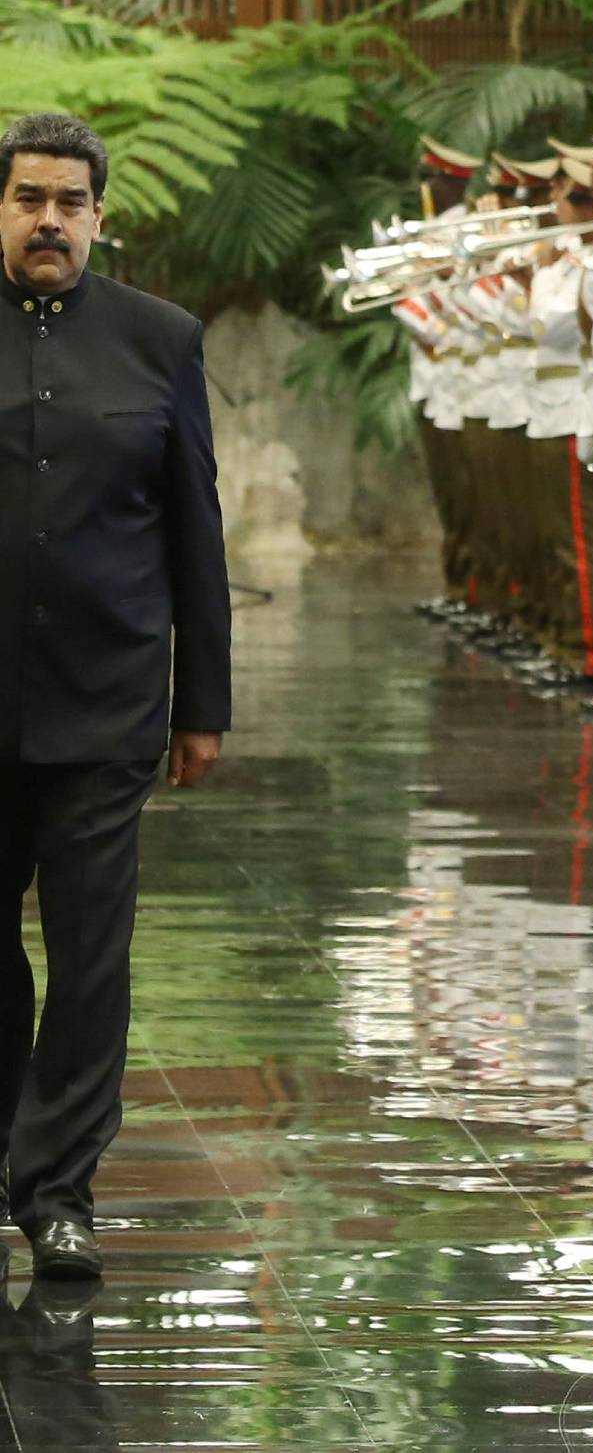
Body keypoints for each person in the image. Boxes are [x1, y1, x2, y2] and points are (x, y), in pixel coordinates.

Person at [0, 110, 230, 1281]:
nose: (50, 220)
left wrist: (205, 704)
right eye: (30, 198)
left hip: (107, 703)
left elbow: (197, 531)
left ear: (99, 215)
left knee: (93, 958)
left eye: (70, 202)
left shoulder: (160, 341)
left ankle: (59, 1194)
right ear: (1, 208)